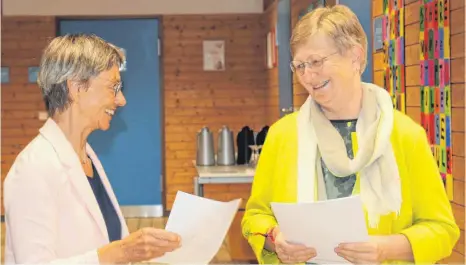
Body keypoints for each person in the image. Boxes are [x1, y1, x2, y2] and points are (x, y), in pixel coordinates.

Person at [241, 5, 459, 264]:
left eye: (317, 61)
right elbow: (255, 217)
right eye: (300, 66)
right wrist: (274, 236)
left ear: (355, 57)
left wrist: (385, 249)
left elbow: (442, 230)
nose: (308, 75)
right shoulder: (283, 135)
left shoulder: (404, 135)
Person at [3, 34, 181, 264]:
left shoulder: (85, 157)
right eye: (113, 87)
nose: (121, 100)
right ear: (76, 88)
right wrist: (122, 252)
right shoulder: (33, 169)